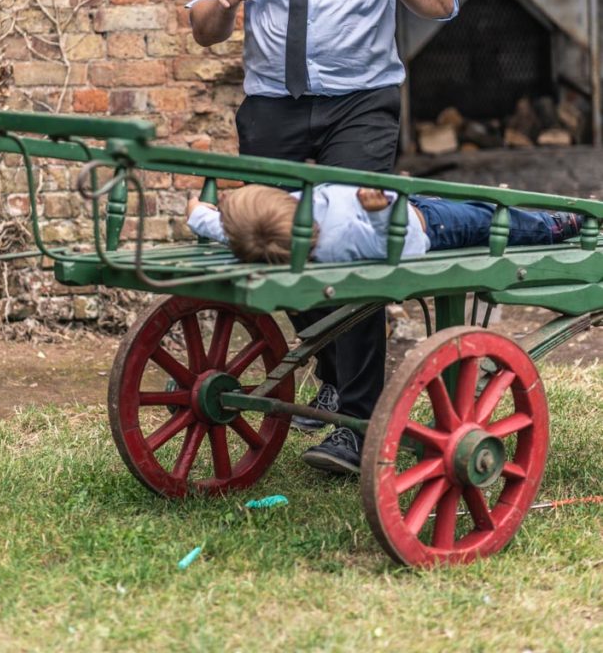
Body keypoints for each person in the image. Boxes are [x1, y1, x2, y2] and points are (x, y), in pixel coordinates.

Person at [187, 0, 458, 474]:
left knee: (347, 242)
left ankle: (356, 419)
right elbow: (204, 31)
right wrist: (225, 0)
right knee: (270, 242)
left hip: (359, 100)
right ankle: (338, 374)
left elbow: (442, 1)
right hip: (272, 105)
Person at [187, 183, 583, 474]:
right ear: (279, 204)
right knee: (496, 218)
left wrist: (198, 213)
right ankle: (561, 225)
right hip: (431, 226)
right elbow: (411, 248)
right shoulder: (342, 227)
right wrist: (382, 209)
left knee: (475, 205)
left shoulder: (270, 239)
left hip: (411, 209)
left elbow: (222, 228)